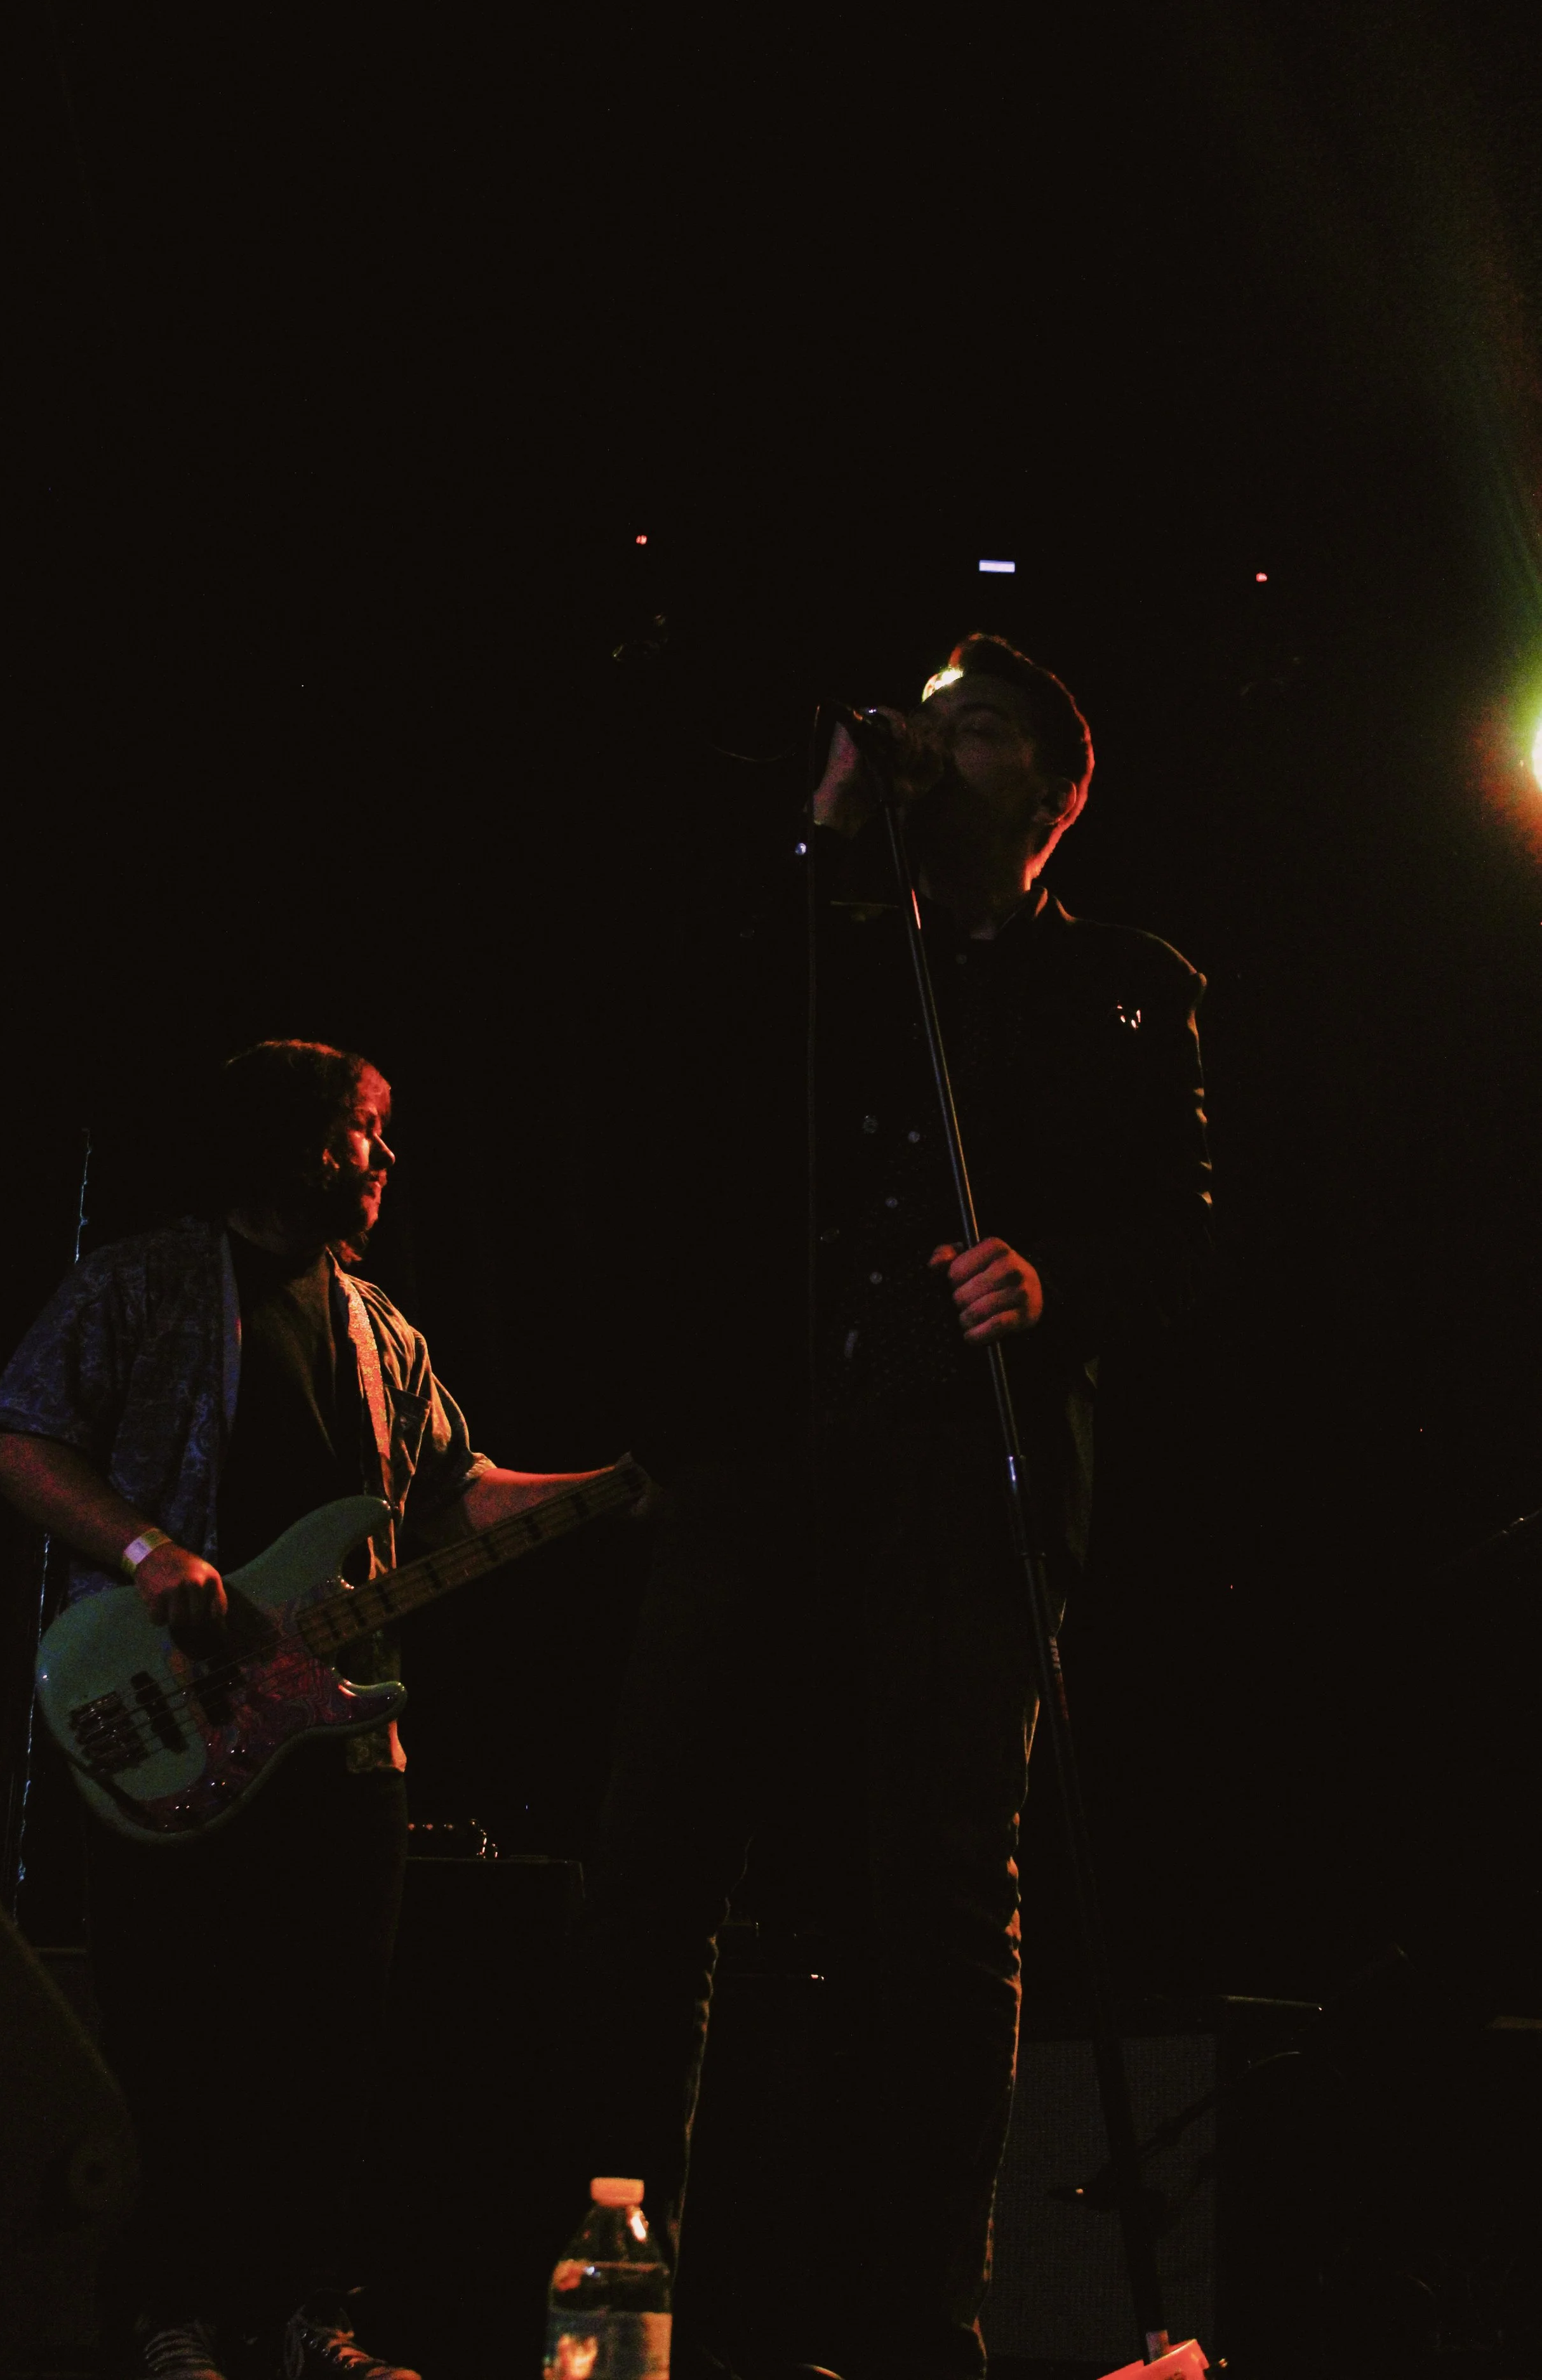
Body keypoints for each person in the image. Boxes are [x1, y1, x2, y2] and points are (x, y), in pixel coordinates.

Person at [571, 637, 1213, 2380]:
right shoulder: (823, 949)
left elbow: (1181, 1244)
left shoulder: (1125, 987)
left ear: (1054, 793)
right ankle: (619, 2303)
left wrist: (1050, 1271)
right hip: (768, 1462)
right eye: (921, 729)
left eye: (979, 732)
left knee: (931, 1896)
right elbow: (683, 1072)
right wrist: (819, 837)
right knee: (653, 1876)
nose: (934, 749)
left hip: (961, 1475)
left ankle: (915, 2321)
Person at [0, 1040, 619, 2380]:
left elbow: (458, 1492)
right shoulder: (144, 1283)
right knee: (178, 2039)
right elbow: (14, 1437)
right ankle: (169, 2316)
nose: (384, 1159)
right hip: (173, 1718)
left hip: (336, 1748)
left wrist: (616, 1485)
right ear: (282, 1141)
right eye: (359, 1132)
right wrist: (151, 1555)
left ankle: (305, 2314)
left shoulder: (381, 1329)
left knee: (328, 2045)